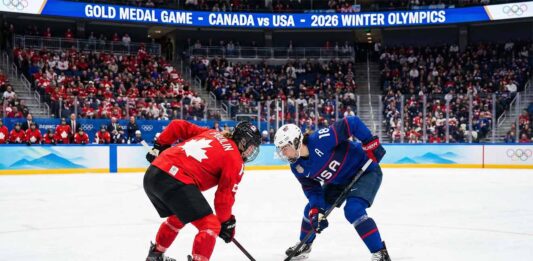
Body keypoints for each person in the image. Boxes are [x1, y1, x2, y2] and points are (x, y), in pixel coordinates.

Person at [274, 116, 390, 261]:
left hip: (365, 171)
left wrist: (369, 142)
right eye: (281, 149)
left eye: (285, 148)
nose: (283, 153)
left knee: (353, 210)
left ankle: (380, 253)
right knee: (310, 210)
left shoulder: (321, 139)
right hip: (338, 182)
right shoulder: (297, 167)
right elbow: (312, 189)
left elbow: (351, 123)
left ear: (296, 142)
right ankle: (305, 246)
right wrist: (317, 210)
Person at [143, 120, 261, 261]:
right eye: (251, 146)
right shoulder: (235, 160)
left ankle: (155, 255)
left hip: (153, 174)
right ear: (242, 141)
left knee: (179, 216)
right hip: (174, 179)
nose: (251, 151)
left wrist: (159, 145)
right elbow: (223, 199)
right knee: (210, 225)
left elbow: (177, 125)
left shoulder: (212, 133)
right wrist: (227, 223)